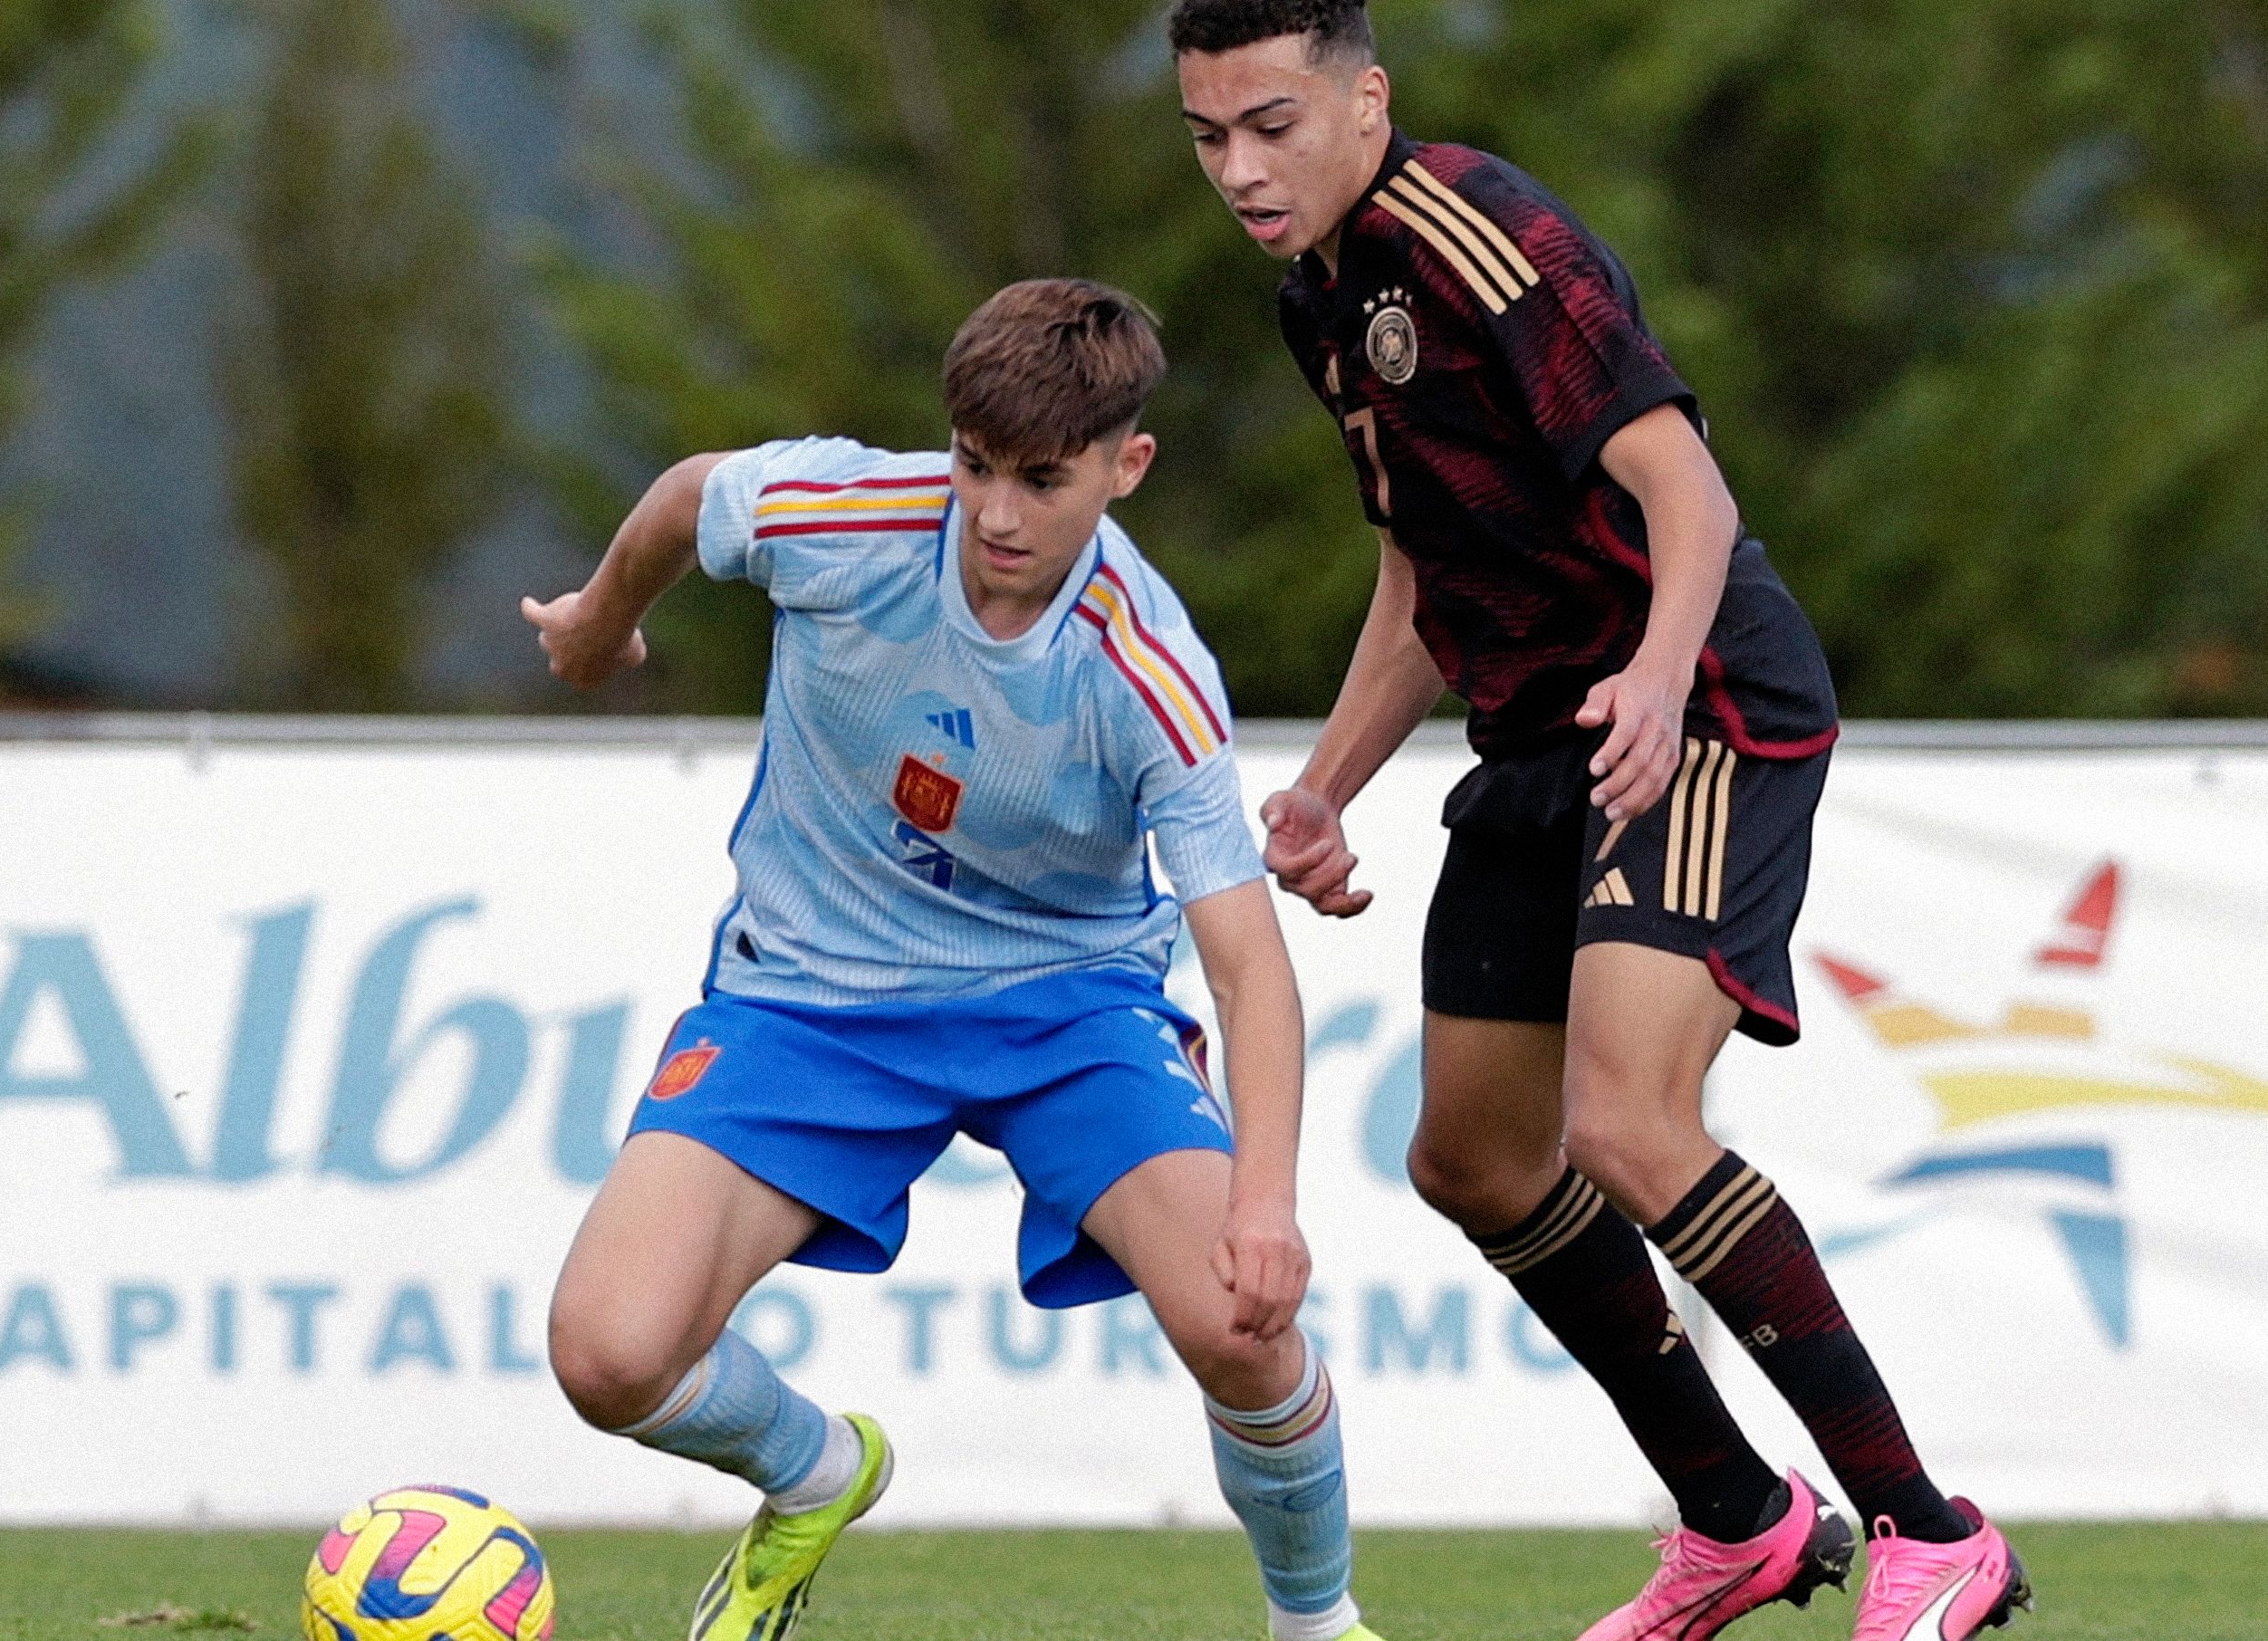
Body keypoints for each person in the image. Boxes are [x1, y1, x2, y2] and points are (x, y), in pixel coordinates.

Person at [1163, 5, 2031, 1641]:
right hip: (1542, 735)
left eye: (1270, 124)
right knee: (1474, 1160)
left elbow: (1683, 488)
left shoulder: (1484, 234)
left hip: (1697, 708)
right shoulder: (1321, 300)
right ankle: (1737, 1524)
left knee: (1627, 1127)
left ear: (1367, 98)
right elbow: (1426, 576)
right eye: (1209, 137)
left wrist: (1647, 677)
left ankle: (1928, 1531)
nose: (1239, 168)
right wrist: (1323, 790)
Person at [522, 278, 1382, 1641]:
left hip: (1067, 1010)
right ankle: (813, 1471)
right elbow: (691, 495)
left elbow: (1248, 970)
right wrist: (594, 616)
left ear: (1124, 466)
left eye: (1042, 481)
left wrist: (1266, 1206)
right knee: (607, 1354)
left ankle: (1315, 1624)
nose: (993, 515)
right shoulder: (846, 518)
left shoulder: (1147, 666)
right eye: (974, 467)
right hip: (810, 997)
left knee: (1239, 1320)